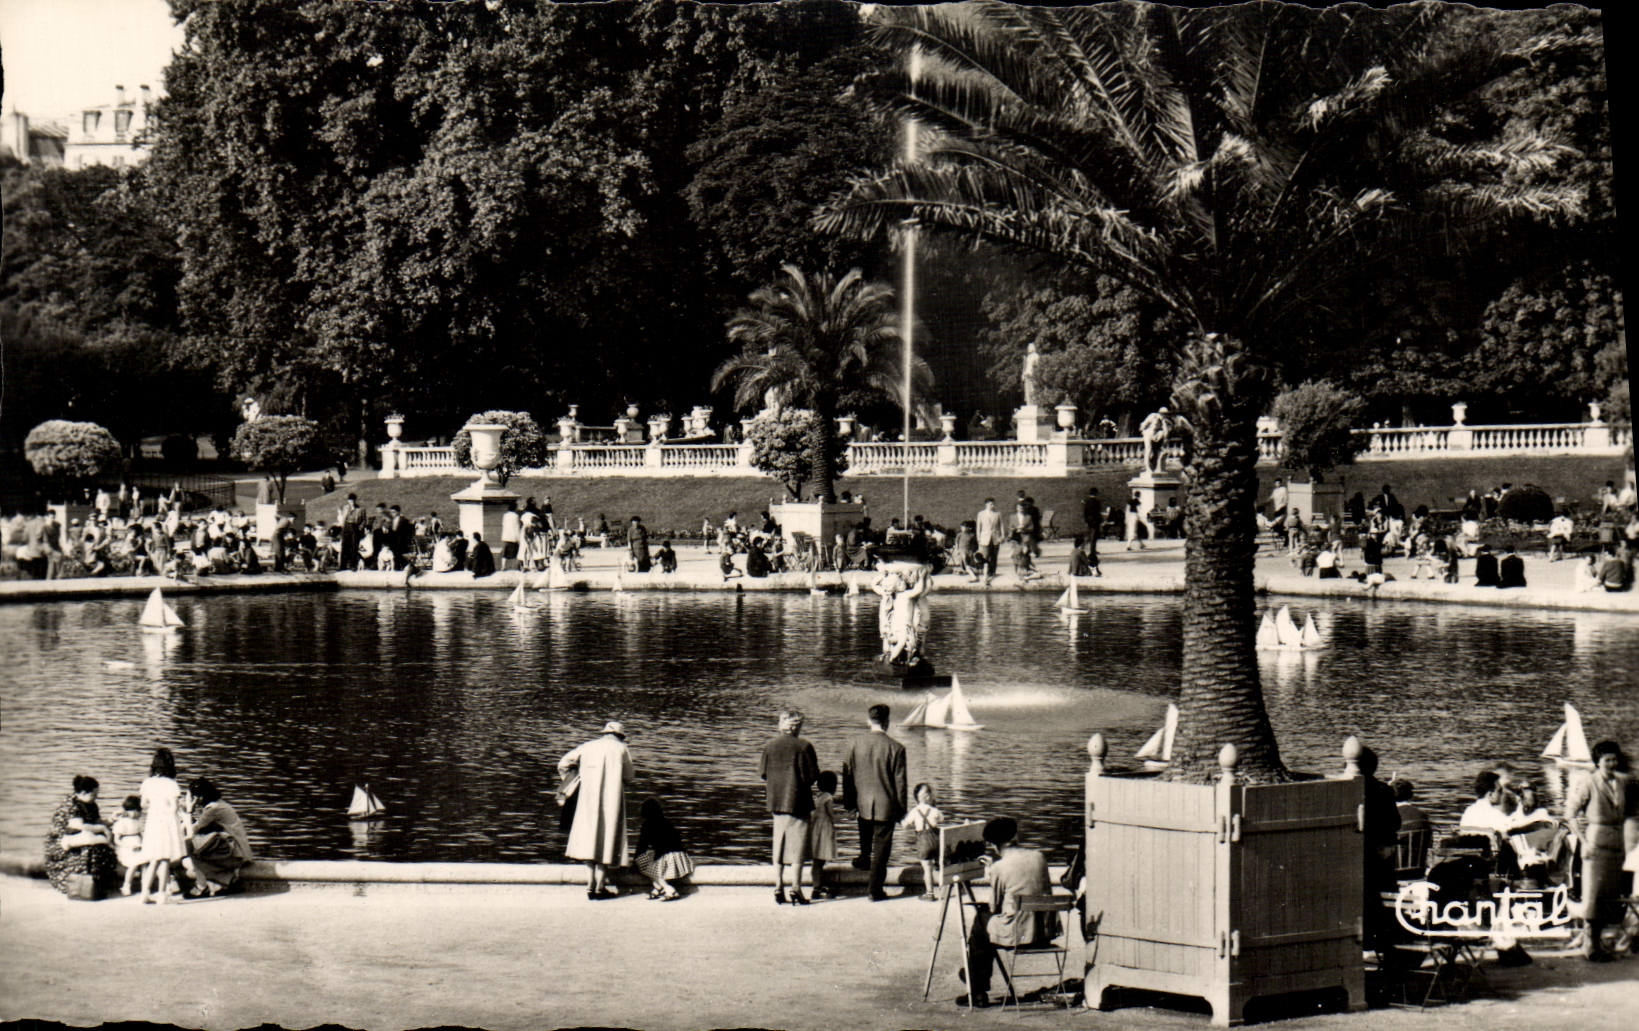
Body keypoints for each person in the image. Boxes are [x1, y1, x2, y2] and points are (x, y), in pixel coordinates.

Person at [959, 817, 1054, 1008]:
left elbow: (994, 907)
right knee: (986, 924)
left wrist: (992, 870)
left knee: (981, 922)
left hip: (1018, 933)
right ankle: (974, 977)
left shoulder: (999, 867)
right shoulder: (1039, 856)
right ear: (1015, 836)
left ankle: (976, 987)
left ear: (993, 845)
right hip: (1043, 931)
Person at [1565, 740, 1638, 961]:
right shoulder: (1588, 782)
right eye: (1607, 760)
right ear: (1597, 762)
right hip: (1595, 844)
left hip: (1617, 845)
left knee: (1609, 897)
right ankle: (1590, 946)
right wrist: (1583, 841)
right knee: (1593, 897)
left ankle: (1600, 945)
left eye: (1614, 759)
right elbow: (1570, 815)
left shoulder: (1622, 782)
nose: (1611, 763)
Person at [559, 720, 634, 900]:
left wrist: (576, 778)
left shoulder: (587, 747)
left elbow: (563, 763)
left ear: (604, 733)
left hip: (587, 798)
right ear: (619, 735)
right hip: (611, 799)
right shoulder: (622, 749)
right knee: (606, 840)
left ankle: (590, 884)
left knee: (589, 838)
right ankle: (599, 887)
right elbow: (629, 776)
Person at [843, 703, 908, 901]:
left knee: (865, 843)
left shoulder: (854, 744)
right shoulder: (896, 748)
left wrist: (850, 804)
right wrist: (902, 810)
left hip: (862, 803)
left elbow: (847, 775)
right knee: (882, 849)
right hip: (886, 806)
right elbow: (900, 783)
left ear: (868, 721)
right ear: (887, 722)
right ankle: (875, 890)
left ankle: (863, 859)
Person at [759, 709, 819, 905]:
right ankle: (796, 888)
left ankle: (778, 886)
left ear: (781, 724)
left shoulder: (769, 746)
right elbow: (811, 777)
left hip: (776, 802)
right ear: (798, 726)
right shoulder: (804, 746)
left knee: (779, 845)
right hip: (798, 802)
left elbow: (763, 774)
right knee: (798, 847)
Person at [43, 774, 119, 898]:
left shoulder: (91, 804)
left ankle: (98, 883)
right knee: (93, 844)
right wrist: (104, 829)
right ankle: (82, 884)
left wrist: (111, 819)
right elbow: (81, 826)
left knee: (102, 843)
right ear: (83, 793)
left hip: (81, 836)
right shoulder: (71, 805)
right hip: (64, 841)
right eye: (93, 794)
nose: (96, 797)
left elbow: (96, 822)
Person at [182, 777, 252, 897]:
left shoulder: (212, 809)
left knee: (190, 845)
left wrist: (188, 811)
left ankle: (201, 886)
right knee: (198, 846)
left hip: (235, 854)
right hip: (237, 851)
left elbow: (191, 831)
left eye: (193, 797)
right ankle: (226, 881)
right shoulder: (218, 804)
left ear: (199, 797)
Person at [139, 748, 187, 904]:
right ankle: (162, 894)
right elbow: (174, 807)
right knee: (165, 858)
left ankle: (144, 893)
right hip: (167, 822)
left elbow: (143, 804)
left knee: (153, 858)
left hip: (152, 821)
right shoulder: (171, 784)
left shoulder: (147, 782)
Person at [633, 798, 693, 901]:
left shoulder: (647, 825)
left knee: (642, 862)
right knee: (651, 858)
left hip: (667, 857)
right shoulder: (666, 822)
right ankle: (658, 887)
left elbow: (641, 847)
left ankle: (668, 889)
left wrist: (634, 863)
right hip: (681, 858)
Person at [902, 782, 943, 901]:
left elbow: (905, 824)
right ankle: (943, 890)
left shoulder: (914, 811)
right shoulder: (934, 810)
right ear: (929, 796)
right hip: (936, 842)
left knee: (927, 869)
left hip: (923, 843)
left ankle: (929, 893)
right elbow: (941, 818)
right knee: (939, 866)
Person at [808, 771, 840, 899]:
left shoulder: (818, 796)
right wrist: (848, 816)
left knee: (817, 861)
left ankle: (817, 886)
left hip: (815, 830)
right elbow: (832, 817)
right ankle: (817, 888)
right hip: (824, 831)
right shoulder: (828, 798)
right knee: (820, 861)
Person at [112, 794, 146, 896]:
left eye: (139, 811)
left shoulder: (138, 822)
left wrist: (143, 845)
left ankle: (145, 885)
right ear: (128, 811)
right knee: (134, 863)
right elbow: (117, 840)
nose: (137, 813)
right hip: (126, 848)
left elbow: (142, 836)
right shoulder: (122, 823)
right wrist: (129, 847)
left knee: (145, 862)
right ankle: (126, 885)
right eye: (134, 810)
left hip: (138, 846)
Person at [975, 499, 1003, 585]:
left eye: (993, 504)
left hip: (995, 537)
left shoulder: (997, 514)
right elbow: (978, 526)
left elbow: (1001, 525)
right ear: (986, 505)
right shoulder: (981, 514)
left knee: (994, 555)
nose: (993, 506)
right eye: (991, 504)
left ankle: (992, 572)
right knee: (985, 556)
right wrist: (978, 537)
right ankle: (985, 572)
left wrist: (1002, 536)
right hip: (985, 537)